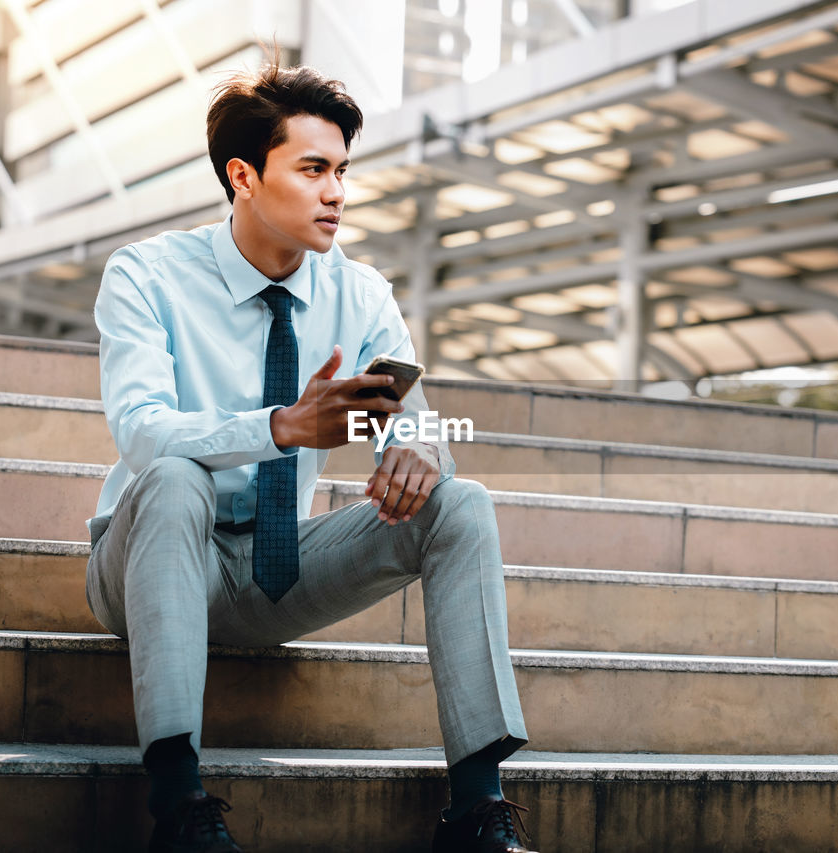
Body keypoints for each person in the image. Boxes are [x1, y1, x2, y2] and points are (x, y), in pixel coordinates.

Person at [85, 62, 535, 853]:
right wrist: (281, 427)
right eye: (313, 169)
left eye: (342, 171)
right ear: (244, 176)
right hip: (146, 565)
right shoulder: (146, 275)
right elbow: (143, 432)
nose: (337, 192)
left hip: (277, 571)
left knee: (462, 504)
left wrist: (415, 455)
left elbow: (416, 422)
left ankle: (477, 805)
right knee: (174, 475)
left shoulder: (359, 293)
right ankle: (179, 800)